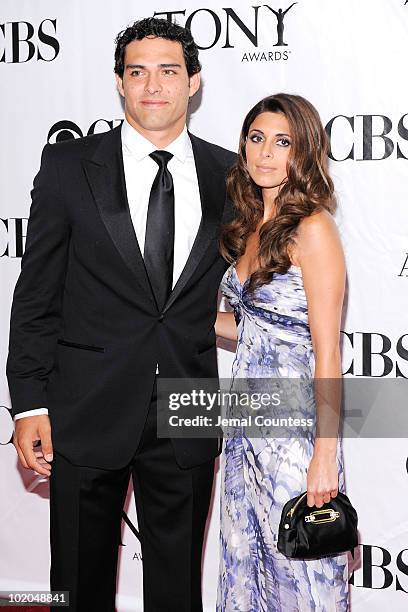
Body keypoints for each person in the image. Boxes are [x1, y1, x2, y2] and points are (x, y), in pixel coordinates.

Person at [7, 17, 235, 612]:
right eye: (138, 72)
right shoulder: (68, 166)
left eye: (168, 71)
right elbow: (36, 296)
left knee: (177, 586)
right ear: (119, 83)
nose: (152, 86)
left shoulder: (230, 174)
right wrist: (30, 403)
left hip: (187, 405)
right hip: (85, 405)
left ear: (195, 82)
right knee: (77, 583)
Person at [215, 94, 349, 610]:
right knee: (245, 566)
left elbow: (328, 355)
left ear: (304, 151)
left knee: (301, 576)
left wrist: (324, 457)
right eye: (256, 139)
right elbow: (251, 328)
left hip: (295, 435)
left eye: (283, 142)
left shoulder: (312, 229)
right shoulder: (248, 226)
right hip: (245, 427)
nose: (266, 153)